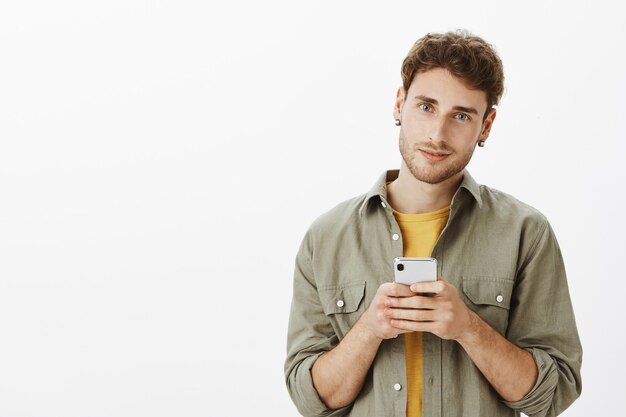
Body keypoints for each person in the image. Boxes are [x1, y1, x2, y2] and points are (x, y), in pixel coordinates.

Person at [284, 30, 582, 417]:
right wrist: (370, 329)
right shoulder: (325, 238)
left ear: (486, 126)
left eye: (461, 116)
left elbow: (554, 394)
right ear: (399, 104)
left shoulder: (526, 233)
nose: (437, 135)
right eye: (426, 107)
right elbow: (309, 399)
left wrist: (467, 328)